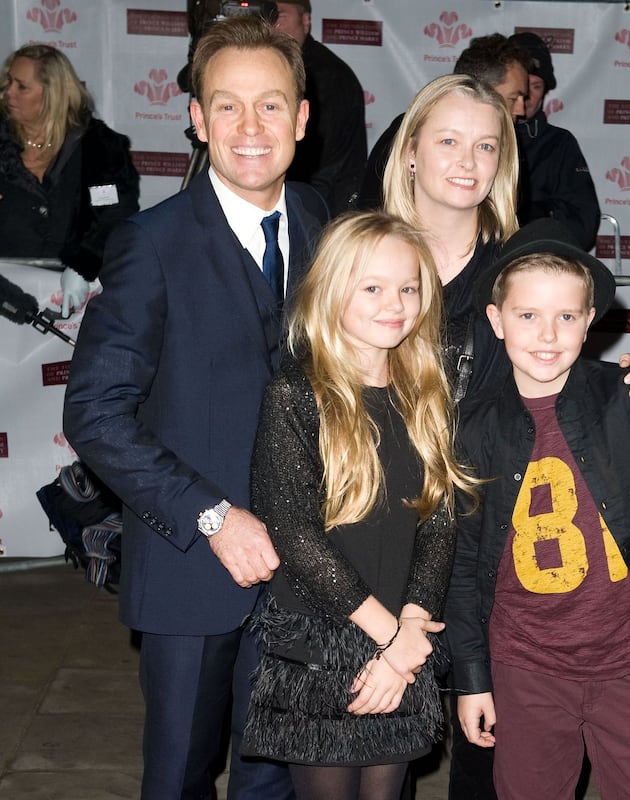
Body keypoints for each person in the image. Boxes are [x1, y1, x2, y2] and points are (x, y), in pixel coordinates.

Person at [381, 73, 630, 800]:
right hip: (380, 532)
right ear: (410, 150)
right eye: (448, 139)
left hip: (495, 544)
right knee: (378, 753)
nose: (467, 159)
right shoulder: (363, 254)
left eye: (487, 144)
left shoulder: (522, 269)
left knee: (497, 758)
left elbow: (564, 377)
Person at [62, 16, 328, 799]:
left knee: (275, 778)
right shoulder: (152, 242)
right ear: (197, 118)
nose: (251, 128)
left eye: (272, 105)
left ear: (302, 120)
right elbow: (96, 413)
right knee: (178, 774)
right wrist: (213, 515)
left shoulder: (328, 226)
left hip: (310, 574)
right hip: (189, 571)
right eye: (228, 106)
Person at [446, 218, 630, 799]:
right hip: (524, 667)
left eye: (566, 316)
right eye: (527, 315)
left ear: (590, 322)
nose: (547, 334)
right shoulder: (473, 427)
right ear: (496, 320)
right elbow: (464, 563)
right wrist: (473, 678)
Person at [241, 210, 477, 799]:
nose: (393, 302)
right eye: (371, 287)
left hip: (404, 635)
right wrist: (389, 638)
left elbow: (439, 522)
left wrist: (414, 626)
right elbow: (293, 534)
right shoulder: (295, 394)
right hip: (323, 642)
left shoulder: (428, 393)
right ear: (331, 291)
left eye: (408, 287)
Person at [0, 44, 140, 317]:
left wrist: (83, 265)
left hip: (78, 299)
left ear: (51, 95)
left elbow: (114, 214)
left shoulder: (99, 147)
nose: (8, 93)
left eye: (21, 87)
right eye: (8, 83)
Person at [356, 33, 529, 212]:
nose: (521, 110)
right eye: (448, 142)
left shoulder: (511, 235)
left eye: (486, 146)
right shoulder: (409, 129)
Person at [509, 32, 601, 251]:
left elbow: (584, 227)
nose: (527, 96)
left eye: (536, 86)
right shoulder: (476, 137)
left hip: (537, 265)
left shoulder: (560, 144)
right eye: (519, 86)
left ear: (546, 93)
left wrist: (530, 216)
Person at [274, 0, 367, 215]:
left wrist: (300, 215)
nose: (270, 24)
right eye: (267, 14)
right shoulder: (287, 70)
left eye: (280, 15)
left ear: (305, 21)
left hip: (323, 211)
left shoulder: (324, 75)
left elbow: (319, 164)